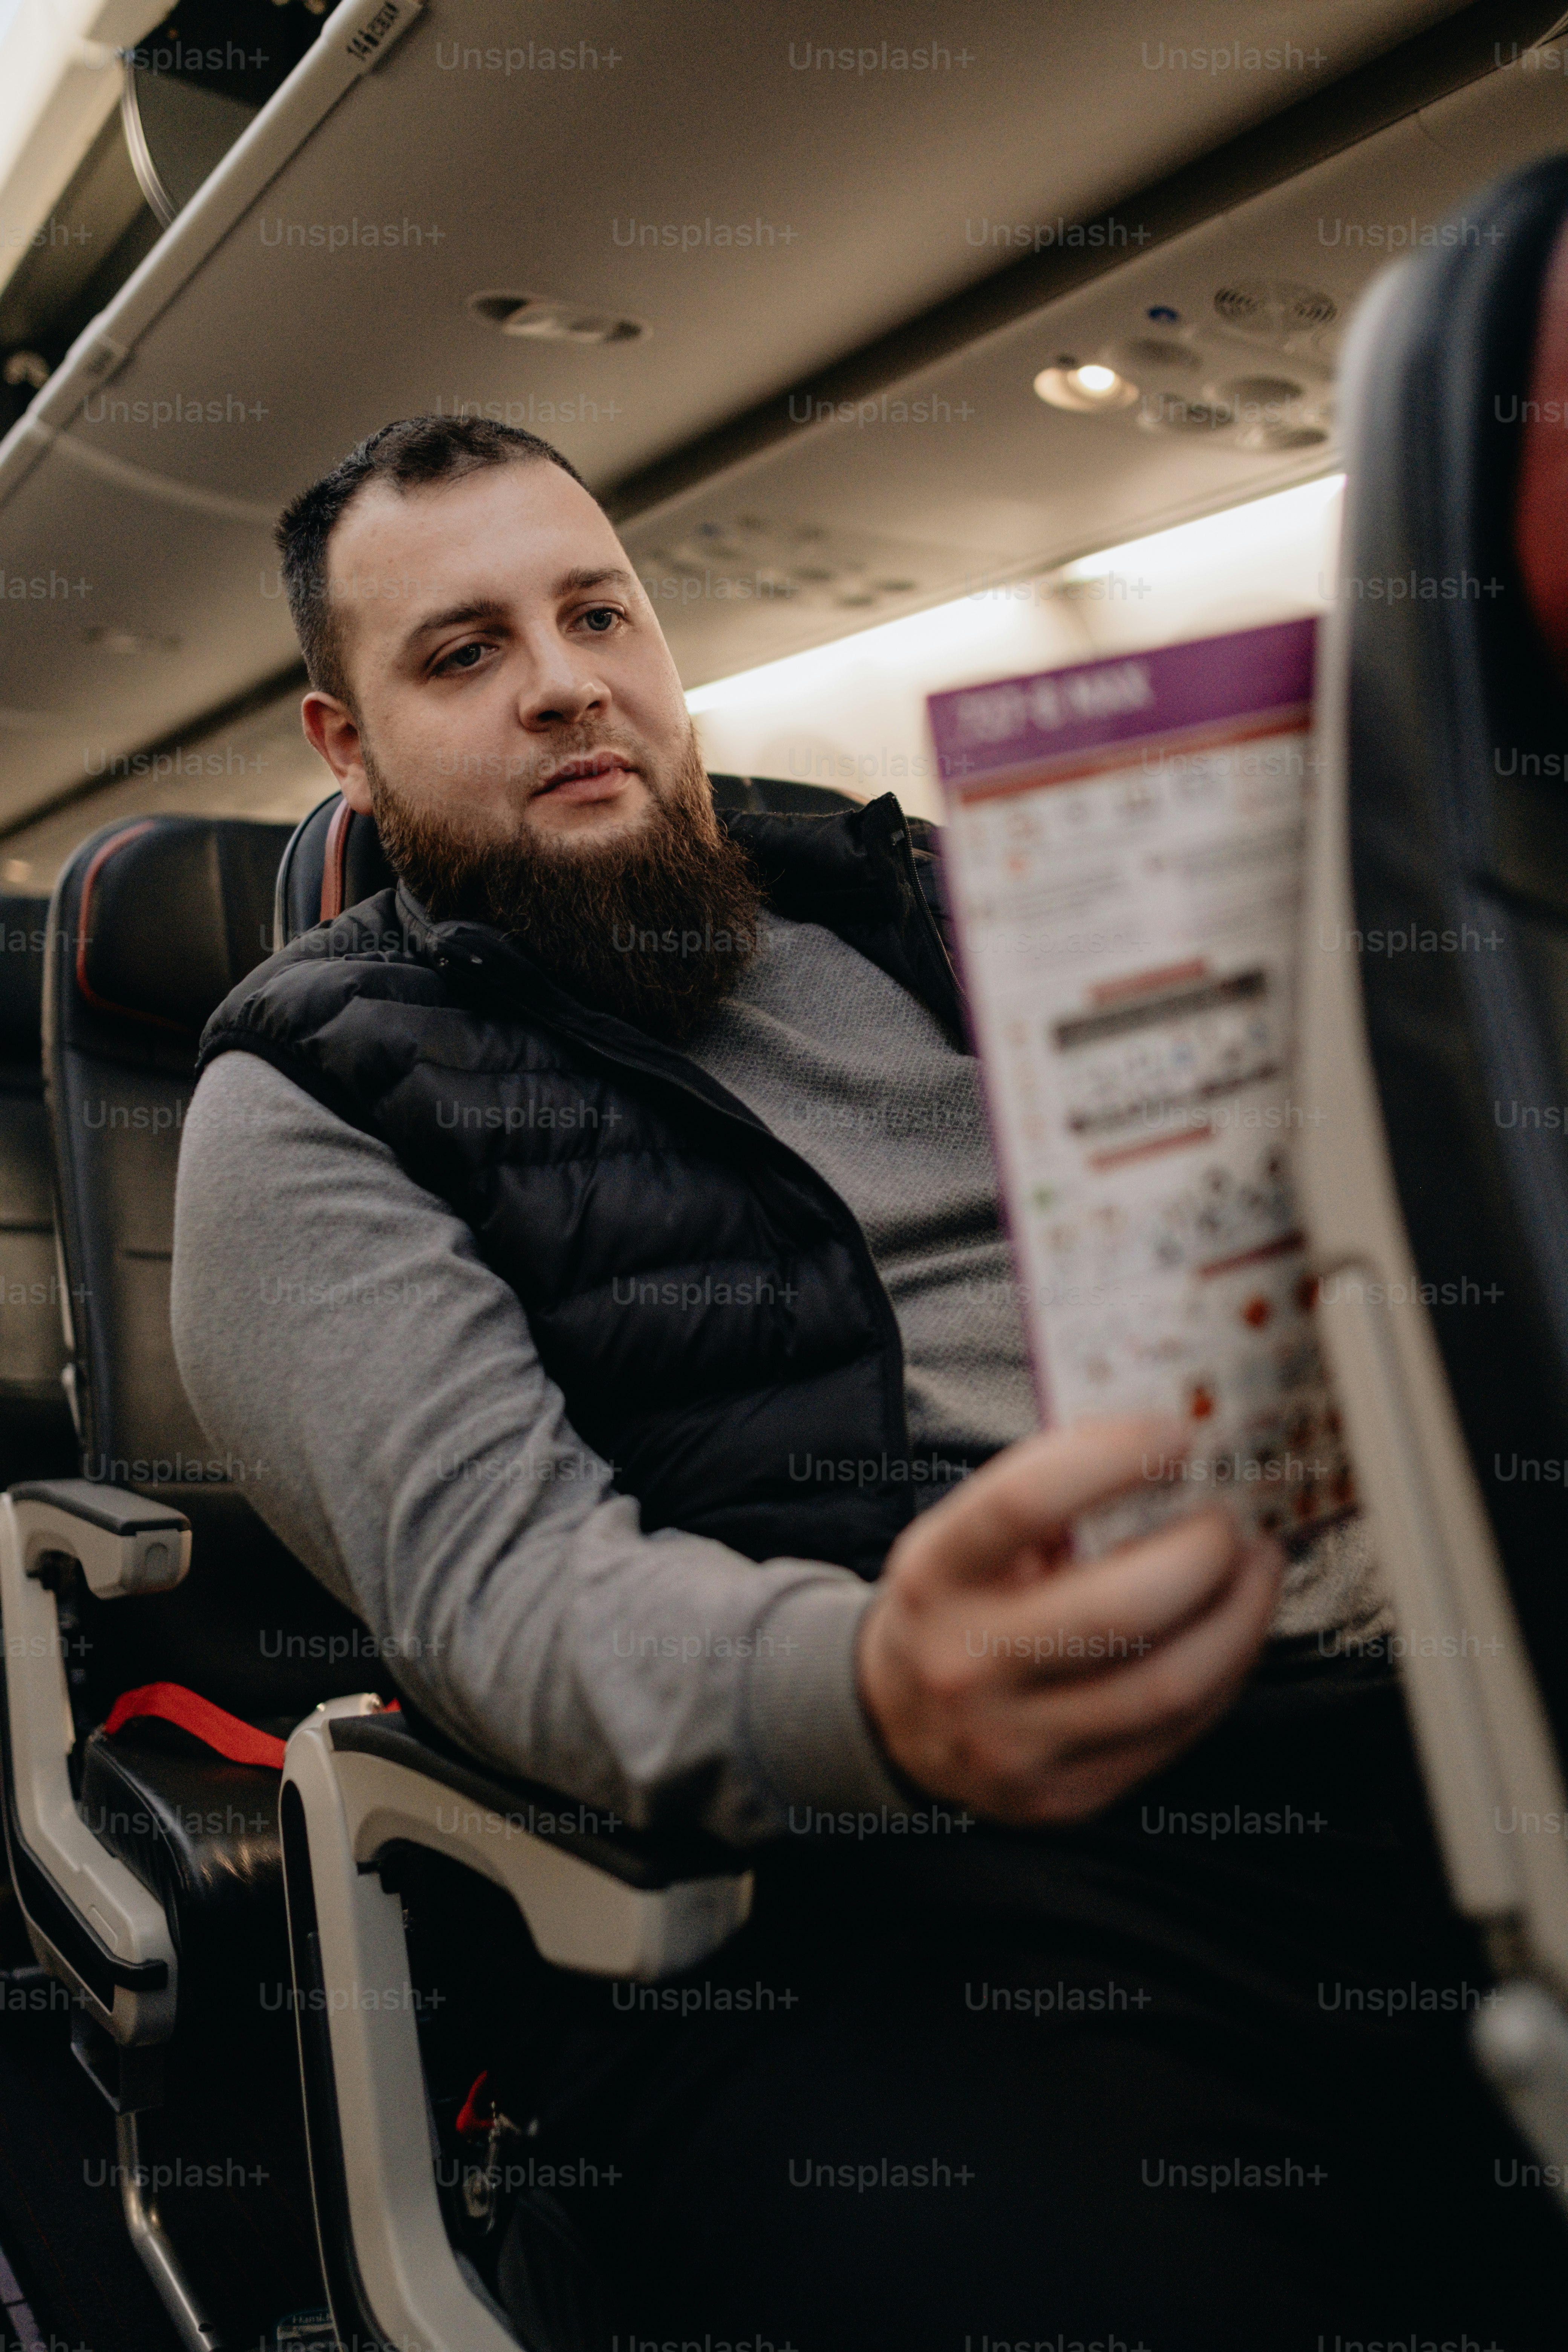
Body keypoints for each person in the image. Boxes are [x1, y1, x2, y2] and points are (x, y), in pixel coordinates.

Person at [170, 416, 1563, 2351]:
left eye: (599, 614)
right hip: (891, 1878)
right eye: (464, 651)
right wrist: (875, 1686)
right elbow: (509, 1590)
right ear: (349, 748)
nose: (566, 679)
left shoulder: (939, 897)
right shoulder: (306, 1100)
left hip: (1420, 1720)